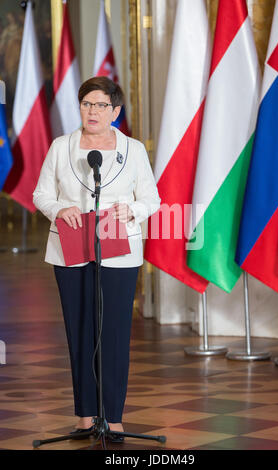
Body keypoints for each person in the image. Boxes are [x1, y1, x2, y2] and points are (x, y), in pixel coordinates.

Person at [33, 76, 160, 442]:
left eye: (101, 105)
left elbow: (152, 199)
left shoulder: (133, 150)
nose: (93, 111)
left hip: (119, 251)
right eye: (87, 104)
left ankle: (114, 417)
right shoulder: (61, 147)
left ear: (115, 111)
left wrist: (129, 210)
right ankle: (85, 416)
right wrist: (60, 208)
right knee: (80, 330)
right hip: (71, 250)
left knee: (115, 333)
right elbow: (42, 193)